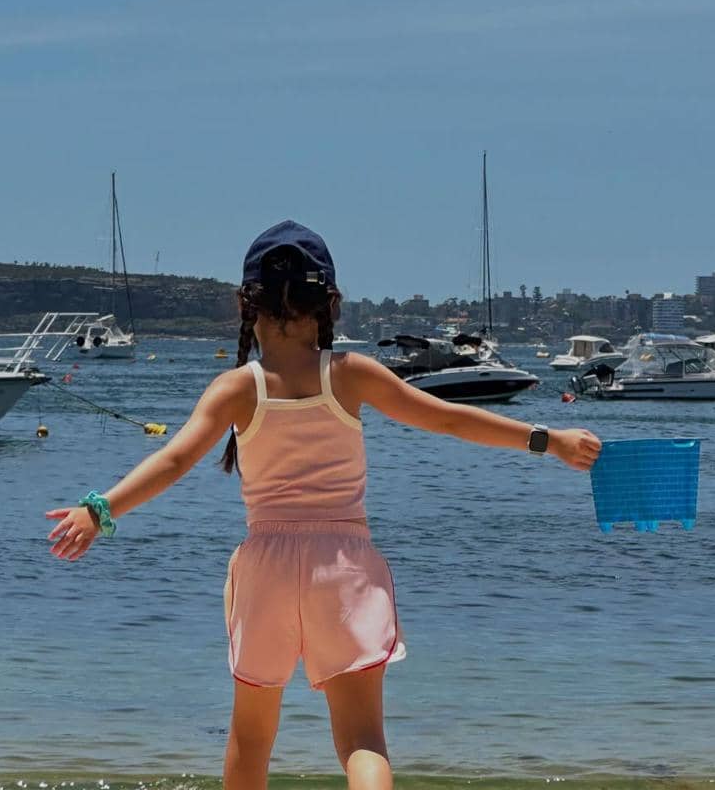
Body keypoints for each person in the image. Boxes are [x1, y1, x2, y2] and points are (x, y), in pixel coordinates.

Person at [46, 221, 601, 790]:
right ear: (330, 303)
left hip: (265, 569)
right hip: (344, 565)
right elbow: (447, 417)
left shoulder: (239, 386)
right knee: (362, 740)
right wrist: (547, 439)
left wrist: (100, 509)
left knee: (252, 737)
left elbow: (173, 461)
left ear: (246, 303)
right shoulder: (350, 374)